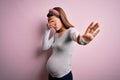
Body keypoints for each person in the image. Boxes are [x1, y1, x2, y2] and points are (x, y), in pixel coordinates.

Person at [42, 7, 100, 80]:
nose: (52, 25)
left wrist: (84, 40)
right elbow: (44, 47)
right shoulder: (55, 35)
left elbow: (78, 38)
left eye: (53, 21)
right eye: (50, 23)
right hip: (51, 76)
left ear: (61, 18)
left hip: (64, 77)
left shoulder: (70, 31)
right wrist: (47, 30)